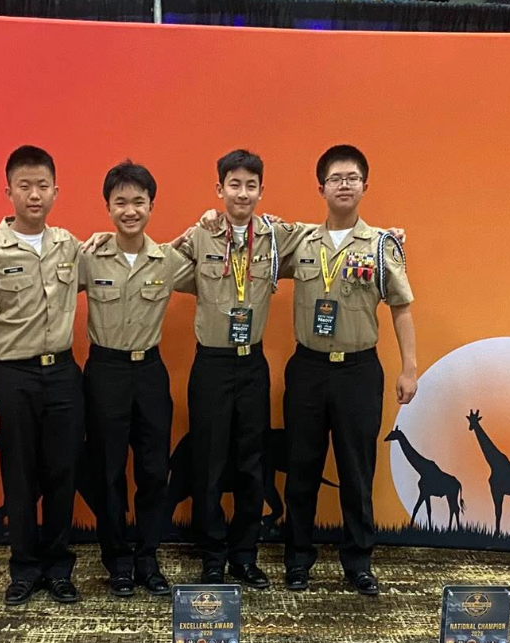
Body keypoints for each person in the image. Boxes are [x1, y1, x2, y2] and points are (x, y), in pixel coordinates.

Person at [280, 145, 417, 596]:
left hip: (358, 371)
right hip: (308, 369)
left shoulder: (382, 244)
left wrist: (409, 369)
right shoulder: (299, 241)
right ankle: (297, 559)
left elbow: (400, 307)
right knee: (301, 467)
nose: (344, 184)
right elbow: (249, 245)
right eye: (335, 177)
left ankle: (358, 560)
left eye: (352, 177)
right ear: (320, 187)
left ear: (364, 185)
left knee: (358, 471)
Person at [176, 149, 313, 588]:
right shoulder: (200, 235)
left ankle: (244, 554)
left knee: (254, 464)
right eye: (233, 185)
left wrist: (387, 236)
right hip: (212, 365)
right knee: (210, 463)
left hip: (251, 363)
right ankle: (212, 555)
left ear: (261, 191)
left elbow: (328, 234)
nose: (242, 193)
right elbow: (155, 261)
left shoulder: (275, 236)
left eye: (250, 185)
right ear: (219, 190)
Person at [0, 145, 84, 605]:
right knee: (19, 476)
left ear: (56, 191)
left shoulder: (69, 246)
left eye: (43, 185)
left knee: (61, 474)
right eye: (25, 186)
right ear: (8, 191)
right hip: (13, 378)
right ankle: (24, 569)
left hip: (64, 376)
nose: (35, 194)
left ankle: (58, 567)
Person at [77, 161, 196, 597]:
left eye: (139, 202)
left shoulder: (168, 260)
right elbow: (42, 276)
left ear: (152, 205)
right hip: (105, 372)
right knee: (108, 471)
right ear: (108, 206)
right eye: (120, 202)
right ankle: (118, 561)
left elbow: (218, 271)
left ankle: (148, 557)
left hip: (149, 372)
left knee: (152, 470)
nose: (130, 210)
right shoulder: (87, 257)